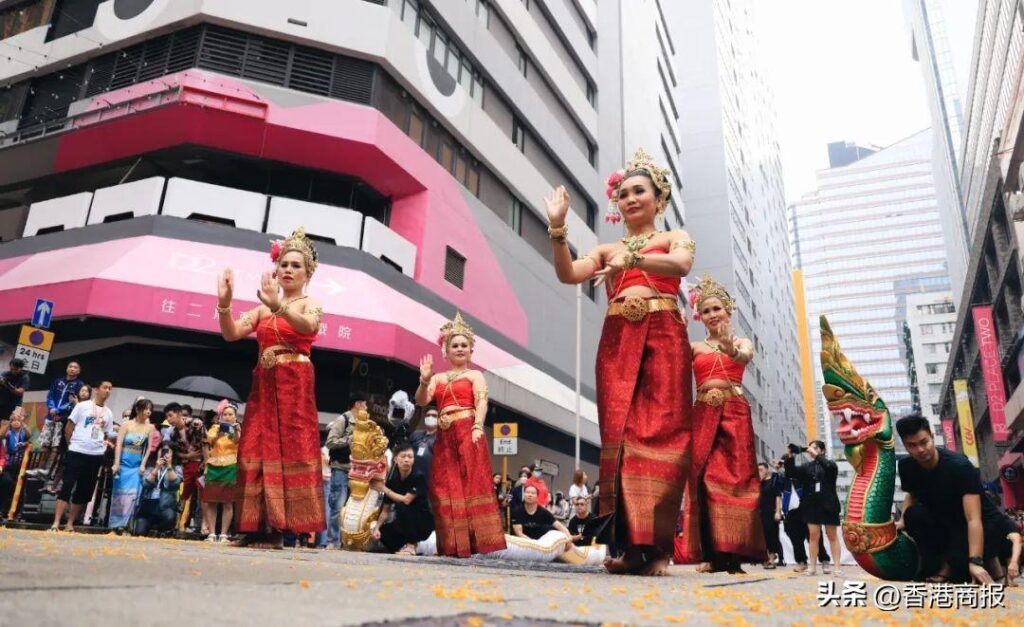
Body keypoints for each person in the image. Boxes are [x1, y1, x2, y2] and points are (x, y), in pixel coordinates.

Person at [547, 148, 695, 576]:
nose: (630, 199)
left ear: (658, 199)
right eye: (624, 193)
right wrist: (558, 228)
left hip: (664, 335)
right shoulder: (606, 247)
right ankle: (631, 549)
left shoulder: (674, 237)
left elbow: (682, 264)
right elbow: (568, 274)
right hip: (617, 341)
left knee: (663, 438)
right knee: (623, 443)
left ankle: (661, 551)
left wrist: (634, 258)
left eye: (639, 191)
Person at [218, 227, 326, 548]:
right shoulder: (263, 307)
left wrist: (278, 306)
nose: (288, 270)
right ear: (275, 270)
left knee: (288, 450)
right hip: (263, 385)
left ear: (307, 274)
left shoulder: (310, 304)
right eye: (284, 265)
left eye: (296, 266)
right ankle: (253, 527)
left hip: (294, 383)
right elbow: (232, 333)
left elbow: (309, 326)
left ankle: (279, 529)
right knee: (253, 447)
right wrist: (224, 304)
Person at [677, 274, 765, 574]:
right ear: (699, 316)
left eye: (717, 309)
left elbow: (742, 356)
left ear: (728, 310)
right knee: (703, 480)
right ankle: (713, 555)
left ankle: (735, 553)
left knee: (736, 480)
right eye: (706, 311)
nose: (712, 315)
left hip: (734, 411)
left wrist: (730, 349)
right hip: (702, 412)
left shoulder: (741, 342)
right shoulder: (694, 348)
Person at [414, 312, 506, 557]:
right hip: (444, 437)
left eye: (464, 345)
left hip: (467, 431)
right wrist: (423, 381)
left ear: (471, 350)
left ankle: (474, 544)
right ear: (446, 350)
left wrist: (478, 425)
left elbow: (482, 401)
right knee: (443, 488)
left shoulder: (475, 375)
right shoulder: (437, 377)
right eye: (454, 345)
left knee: (469, 486)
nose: (459, 348)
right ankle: (452, 545)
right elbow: (422, 400)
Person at [896, 414, 1020, 584]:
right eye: (912, 445)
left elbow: (973, 519)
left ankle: (959, 567)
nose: (920, 450)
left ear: (932, 437)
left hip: (978, 522)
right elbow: (912, 494)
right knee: (913, 515)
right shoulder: (906, 466)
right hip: (943, 517)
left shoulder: (959, 466)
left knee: (963, 557)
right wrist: (903, 520)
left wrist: (975, 562)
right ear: (904, 445)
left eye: (924, 442)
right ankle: (935, 565)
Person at [50, 381, 116, 532]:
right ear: (97, 389)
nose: (107, 391)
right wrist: (70, 444)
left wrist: (104, 445)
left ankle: (70, 524)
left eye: (110, 389)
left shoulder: (108, 413)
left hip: (95, 455)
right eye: (105, 388)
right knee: (67, 486)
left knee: (83, 489)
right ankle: (56, 522)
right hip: (77, 451)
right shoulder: (82, 406)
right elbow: (69, 427)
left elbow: (106, 433)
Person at [784, 441, 842, 577]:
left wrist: (816, 455)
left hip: (829, 504)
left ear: (822, 450)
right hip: (811, 505)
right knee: (813, 536)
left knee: (832, 535)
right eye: (810, 448)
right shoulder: (806, 467)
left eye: (815, 448)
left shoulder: (830, 464)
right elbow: (791, 472)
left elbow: (828, 467)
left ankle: (837, 568)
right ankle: (812, 567)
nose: (811, 450)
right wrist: (790, 456)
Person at [370, 443, 434, 554]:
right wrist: (377, 528)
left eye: (410, 457)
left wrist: (384, 489)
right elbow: (385, 510)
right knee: (383, 532)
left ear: (414, 460)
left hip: (423, 521)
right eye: (403, 456)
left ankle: (411, 545)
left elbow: (406, 500)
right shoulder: (392, 480)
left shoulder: (418, 476)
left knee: (402, 505)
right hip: (404, 521)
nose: (406, 460)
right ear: (395, 459)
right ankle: (401, 547)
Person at [325, 392, 365, 548]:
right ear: (357, 404)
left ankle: (346, 542)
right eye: (365, 404)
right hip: (340, 469)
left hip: (356, 471)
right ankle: (332, 541)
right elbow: (330, 442)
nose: (366, 407)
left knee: (353, 509)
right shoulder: (343, 419)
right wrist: (347, 440)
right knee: (338, 506)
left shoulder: (364, 423)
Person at [108, 398, 156, 530]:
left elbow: (148, 449)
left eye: (150, 409)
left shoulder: (150, 427)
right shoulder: (126, 425)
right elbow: (118, 445)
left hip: (136, 466)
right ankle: (117, 525)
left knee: (133, 496)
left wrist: (143, 465)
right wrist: (116, 463)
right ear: (137, 409)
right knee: (120, 495)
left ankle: (128, 525)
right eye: (146, 409)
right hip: (123, 464)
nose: (148, 412)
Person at [162, 402, 208, 533]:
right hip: (187, 464)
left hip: (201, 464)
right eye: (167, 417)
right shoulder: (172, 433)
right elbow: (176, 452)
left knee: (203, 496)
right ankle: (177, 525)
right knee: (184, 494)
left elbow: (205, 444)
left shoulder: (196, 424)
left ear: (179, 414)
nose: (169, 419)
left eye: (171, 416)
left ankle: (203, 526)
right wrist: (189, 455)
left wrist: (207, 464)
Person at [36, 362, 84, 479]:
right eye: (70, 366)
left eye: (75, 367)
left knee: (55, 447)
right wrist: (52, 407)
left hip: (63, 419)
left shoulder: (79, 385)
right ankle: (38, 469)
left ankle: (48, 472)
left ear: (78, 371)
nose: (72, 369)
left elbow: (74, 402)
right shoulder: (58, 381)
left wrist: (59, 410)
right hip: (50, 417)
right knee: (45, 444)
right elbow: (50, 396)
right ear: (67, 368)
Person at [201, 400, 241, 543]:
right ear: (220, 416)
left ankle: (223, 534)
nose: (227, 417)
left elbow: (238, 442)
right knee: (211, 501)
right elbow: (209, 441)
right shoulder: (215, 428)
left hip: (230, 466)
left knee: (227, 502)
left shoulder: (238, 428)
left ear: (235, 416)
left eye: (230, 414)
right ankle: (212, 533)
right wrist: (219, 432)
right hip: (214, 466)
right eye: (225, 414)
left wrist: (236, 430)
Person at [133, 446, 182, 537]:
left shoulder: (177, 468)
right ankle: (151, 527)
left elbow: (175, 483)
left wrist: (169, 466)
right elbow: (145, 484)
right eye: (162, 451)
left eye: (168, 451)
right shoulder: (150, 468)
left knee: (170, 516)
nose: (165, 454)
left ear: (173, 454)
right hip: (148, 508)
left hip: (166, 506)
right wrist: (156, 468)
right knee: (139, 532)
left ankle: (159, 529)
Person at [0, 408, 29, 519]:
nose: (16, 421)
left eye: (18, 420)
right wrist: (9, 421)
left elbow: (29, 433)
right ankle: (3, 510)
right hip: (8, 466)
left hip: (21, 467)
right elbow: (0, 435)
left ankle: (18, 513)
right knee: (5, 484)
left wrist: (22, 422)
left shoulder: (23, 432)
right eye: (14, 420)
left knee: (20, 489)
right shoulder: (8, 432)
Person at [758, 463, 783, 569]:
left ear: (767, 470)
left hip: (771, 512)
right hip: (761, 513)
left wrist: (778, 511)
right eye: (758, 470)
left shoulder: (773, 481)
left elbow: (778, 497)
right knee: (764, 536)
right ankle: (768, 557)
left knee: (772, 535)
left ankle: (772, 559)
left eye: (761, 470)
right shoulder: (759, 484)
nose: (759, 472)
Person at [0, 358, 29, 439]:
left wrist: (8, 385)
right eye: (11, 369)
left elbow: (20, 392)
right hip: (2, 403)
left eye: (15, 369)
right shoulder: (5, 374)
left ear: (20, 368)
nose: (13, 371)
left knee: (12, 429)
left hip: (15, 406)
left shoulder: (24, 377)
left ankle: (10, 449)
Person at [409, 407, 439, 482]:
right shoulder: (415, 434)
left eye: (434, 416)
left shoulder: (441, 439)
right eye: (428, 415)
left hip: (428, 480)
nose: (430, 417)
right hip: (409, 476)